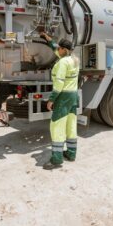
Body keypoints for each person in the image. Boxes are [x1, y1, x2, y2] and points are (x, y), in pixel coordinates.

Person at [40, 33, 80, 170]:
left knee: (57, 126)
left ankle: (56, 160)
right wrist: (48, 39)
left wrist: (51, 100)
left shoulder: (63, 62)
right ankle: (71, 153)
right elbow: (55, 49)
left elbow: (59, 83)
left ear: (64, 49)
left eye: (59, 48)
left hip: (63, 96)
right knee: (71, 125)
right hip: (73, 96)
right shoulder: (74, 60)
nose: (58, 50)